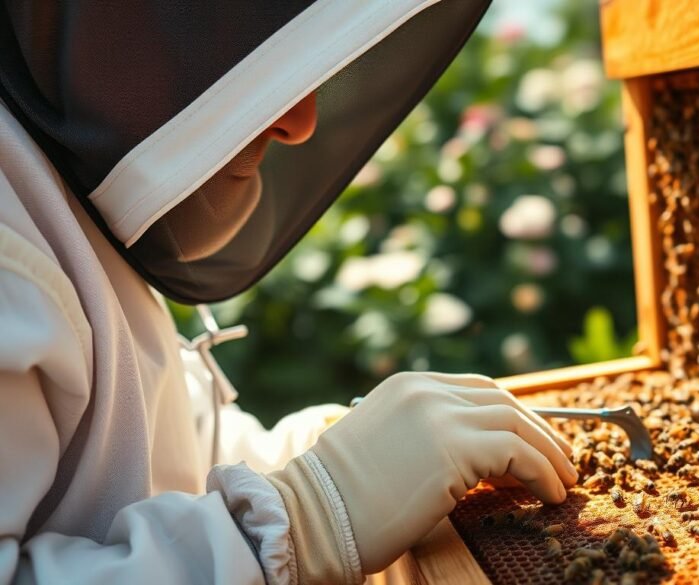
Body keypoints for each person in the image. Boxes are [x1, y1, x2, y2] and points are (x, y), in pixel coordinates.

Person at [0, 1, 578, 583]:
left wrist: (313, 463)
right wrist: (309, 518)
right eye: (233, 35)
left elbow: (161, 464)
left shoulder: (56, 182)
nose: (301, 123)